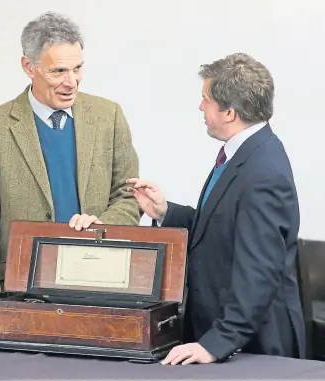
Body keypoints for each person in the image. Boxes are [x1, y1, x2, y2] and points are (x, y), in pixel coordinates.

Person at [127, 53, 305, 364]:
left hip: (253, 347)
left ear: (229, 112)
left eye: (206, 99)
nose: (200, 106)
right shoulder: (244, 153)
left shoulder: (264, 172)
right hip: (224, 332)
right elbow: (224, 228)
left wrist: (217, 343)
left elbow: (260, 271)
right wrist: (165, 211)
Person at [0, 11, 140, 316]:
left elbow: (128, 196)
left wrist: (101, 225)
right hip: (20, 292)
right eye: (58, 71)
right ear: (29, 67)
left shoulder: (109, 116)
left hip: (99, 286)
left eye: (78, 68)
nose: (72, 82)